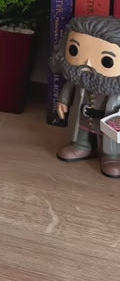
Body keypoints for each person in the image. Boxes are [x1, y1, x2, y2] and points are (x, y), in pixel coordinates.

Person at [49, 15, 120, 178]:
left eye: (107, 61)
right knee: (81, 131)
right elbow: (69, 88)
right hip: (82, 116)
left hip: (109, 121)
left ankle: (112, 156)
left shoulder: (115, 87)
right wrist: (63, 101)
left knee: (110, 139)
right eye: (74, 50)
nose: (87, 63)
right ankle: (82, 145)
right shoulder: (79, 80)